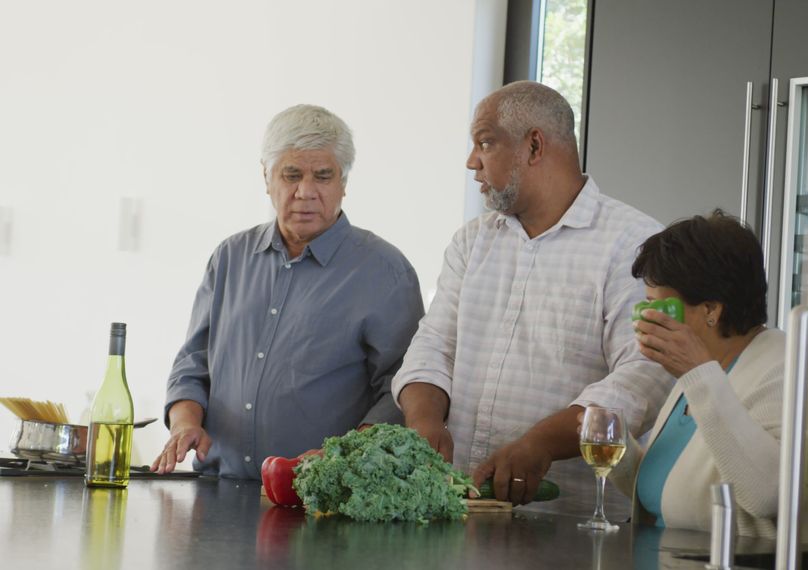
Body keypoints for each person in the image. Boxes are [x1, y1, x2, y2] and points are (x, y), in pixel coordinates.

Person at [390, 81, 671, 516]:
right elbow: (434, 346)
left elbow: (644, 376)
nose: (471, 162)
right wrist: (424, 423)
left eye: (485, 142)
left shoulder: (633, 244)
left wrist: (540, 444)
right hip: (461, 514)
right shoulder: (472, 242)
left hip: (573, 526)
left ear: (534, 146)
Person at [151, 104, 424, 478]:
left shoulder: (386, 271)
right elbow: (192, 365)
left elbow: (400, 392)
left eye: (323, 176)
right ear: (267, 177)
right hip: (216, 489)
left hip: (319, 504)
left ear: (344, 182)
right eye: (291, 174)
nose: (305, 192)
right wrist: (184, 423)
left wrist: (345, 458)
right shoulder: (230, 257)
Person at [602, 210, 808, 535]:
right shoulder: (701, 371)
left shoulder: (791, 369)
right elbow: (670, 493)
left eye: (658, 307)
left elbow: (767, 493)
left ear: (711, 309)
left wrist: (698, 374)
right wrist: (617, 446)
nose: (644, 320)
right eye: (644, 304)